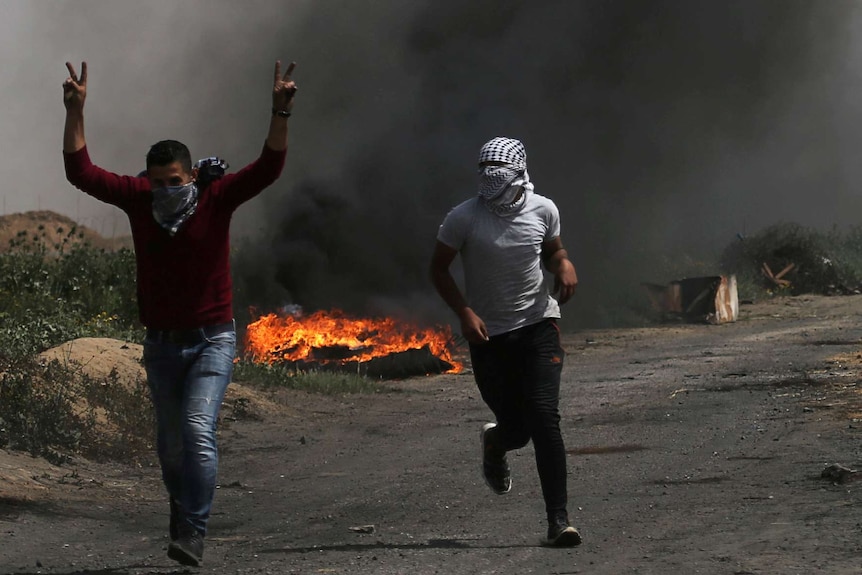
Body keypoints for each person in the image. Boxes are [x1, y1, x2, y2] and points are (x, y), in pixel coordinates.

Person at [62, 59, 298, 566]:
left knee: (197, 429)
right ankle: (181, 508)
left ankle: (193, 531)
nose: (166, 190)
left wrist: (280, 110)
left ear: (191, 175)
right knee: (170, 446)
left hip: (213, 338)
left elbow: (268, 168)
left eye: (174, 180)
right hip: (163, 343)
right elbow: (80, 172)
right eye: (157, 182)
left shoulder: (217, 197)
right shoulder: (138, 199)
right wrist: (75, 111)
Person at [429, 137, 581, 547]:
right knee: (518, 429)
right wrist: (464, 312)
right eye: (486, 183)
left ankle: (558, 521)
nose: (493, 193)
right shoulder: (463, 218)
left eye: (501, 184)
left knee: (545, 419)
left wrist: (562, 264)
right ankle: (496, 441)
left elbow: (552, 250)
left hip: (538, 326)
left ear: (520, 177)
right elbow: (439, 269)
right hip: (489, 337)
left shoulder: (543, 209)